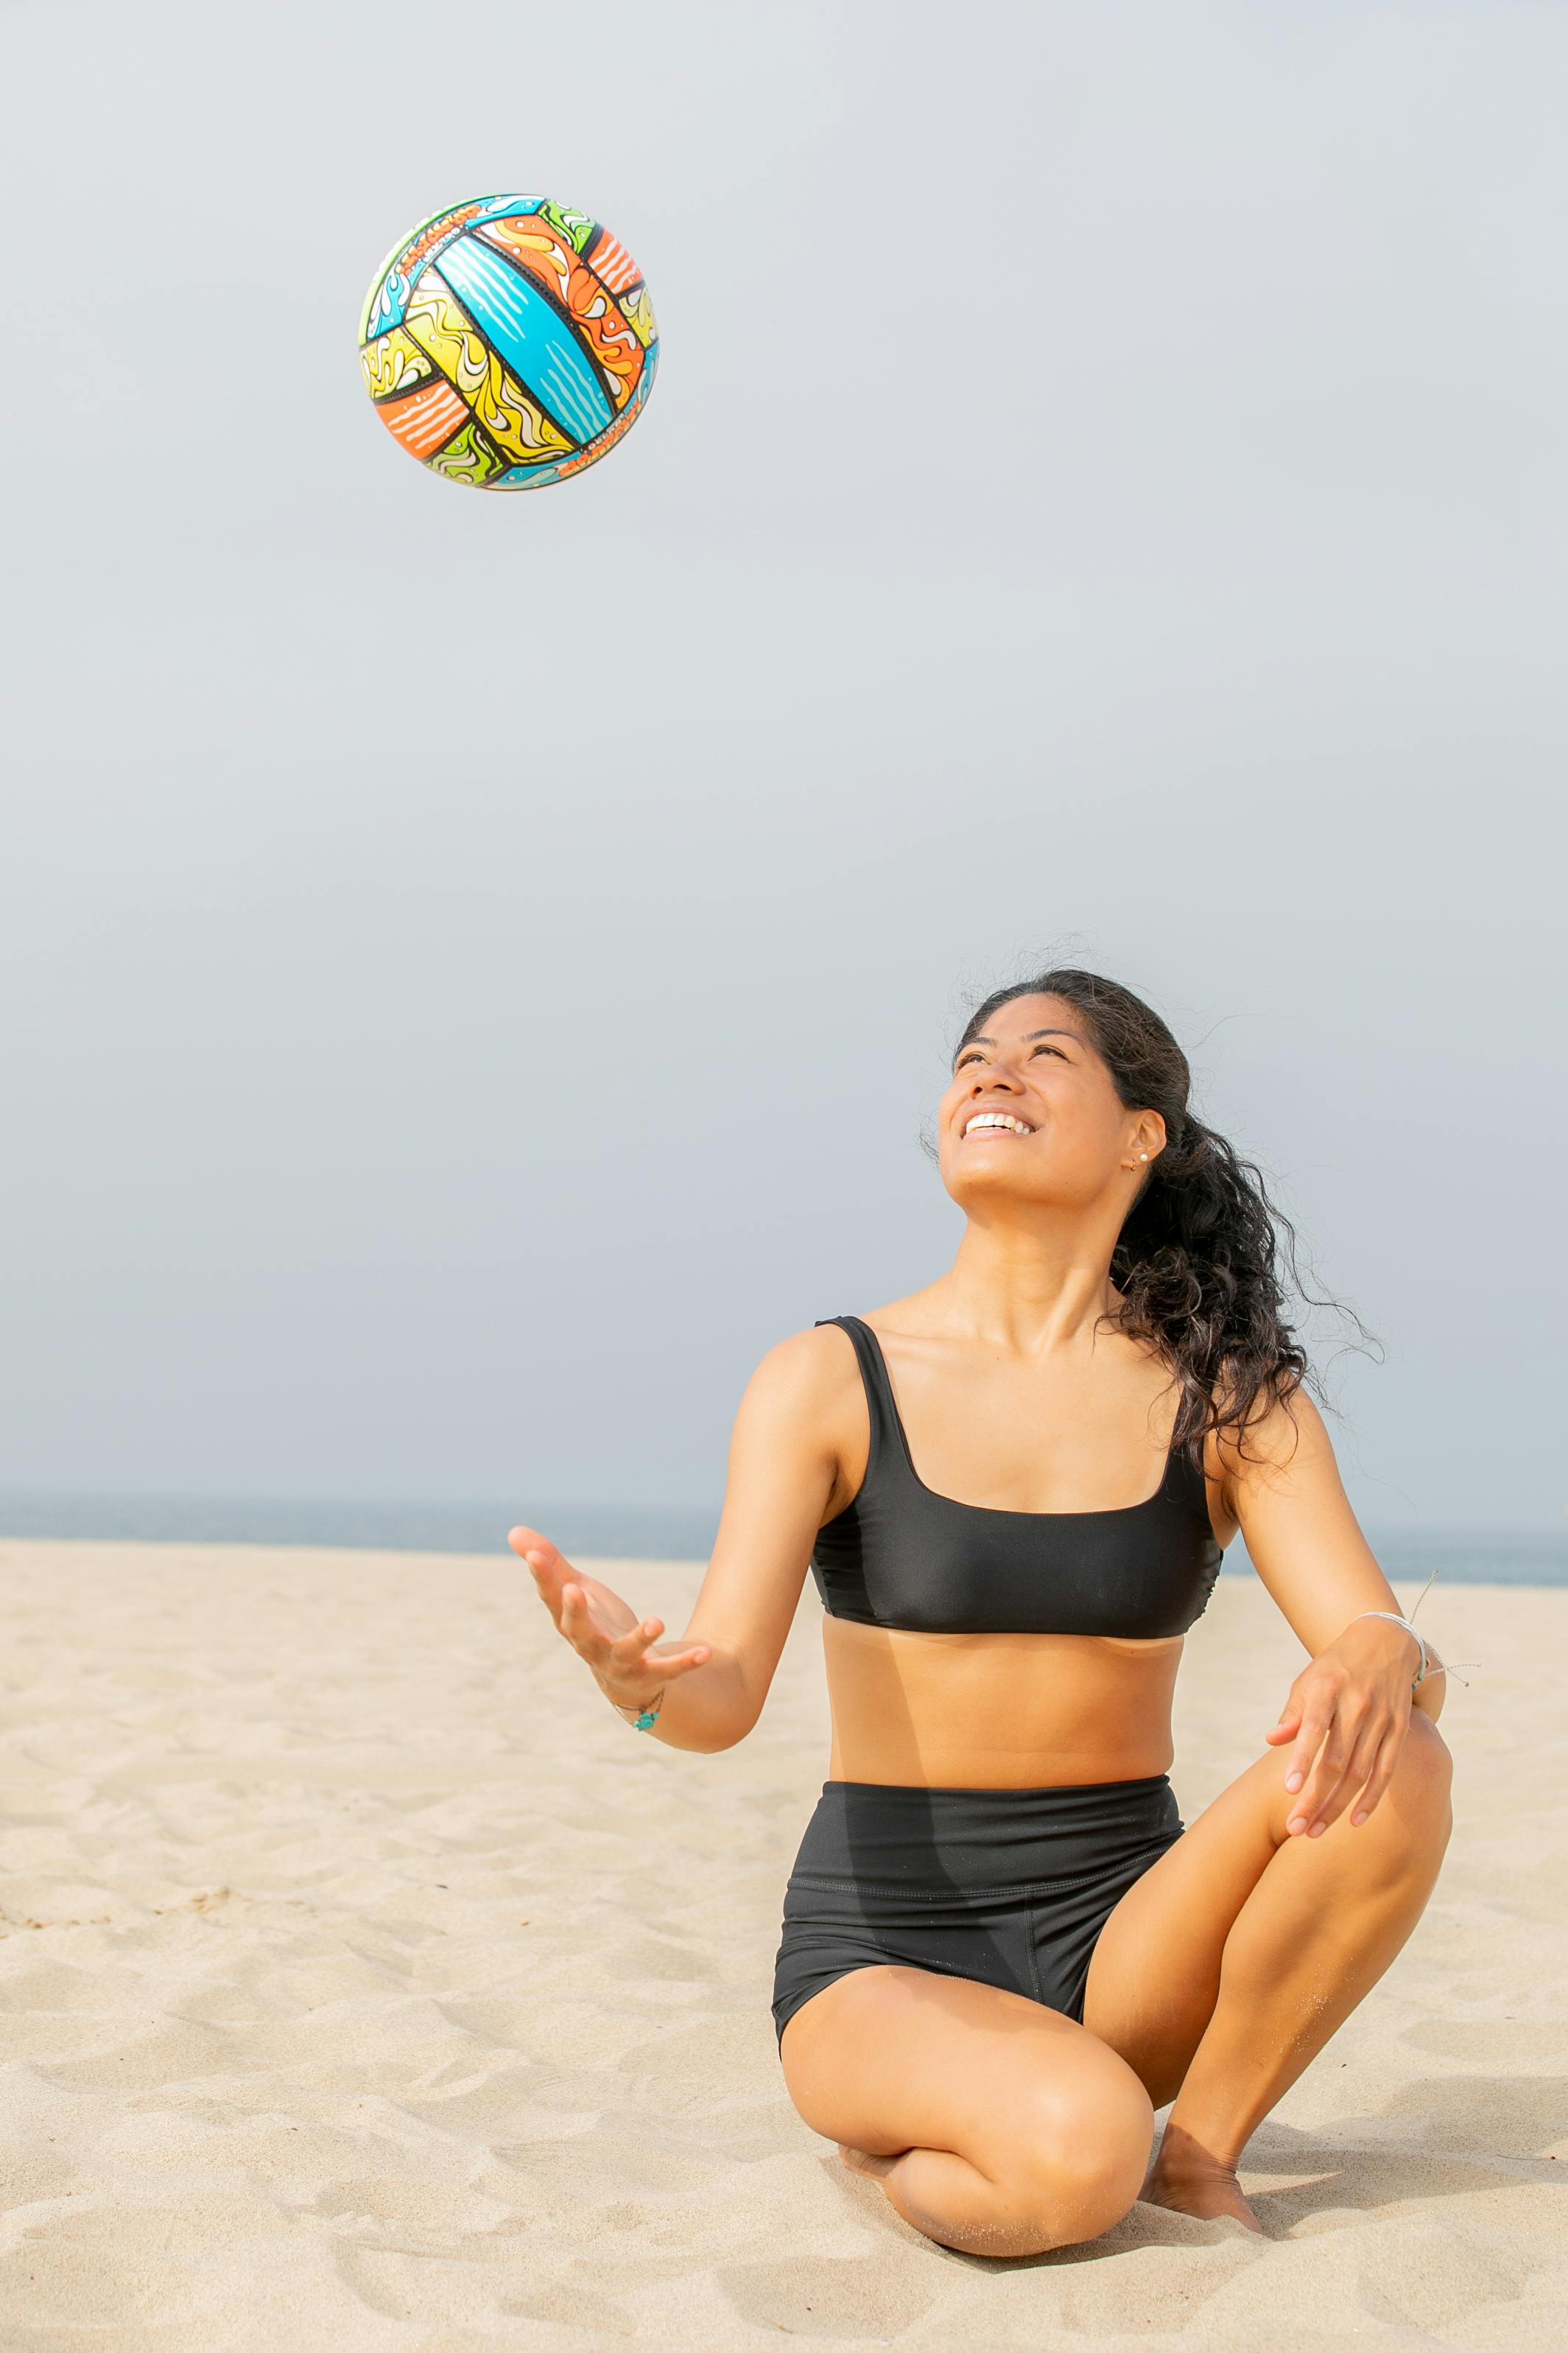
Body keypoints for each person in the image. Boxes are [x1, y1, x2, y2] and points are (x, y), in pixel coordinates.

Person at [510, 967, 1452, 2255]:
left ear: (1140, 1135)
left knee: (1400, 1756)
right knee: (1070, 2160)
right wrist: (641, 1687)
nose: (990, 1072)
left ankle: (1199, 2152)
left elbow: (1379, 1660)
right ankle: (926, 2136)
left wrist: (1384, 1644)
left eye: (1044, 1053)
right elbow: (716, 1697)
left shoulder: (1229, 1401)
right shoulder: (829, 1377)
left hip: (1130, 1938)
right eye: (973, 1056)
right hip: (886, 1950)